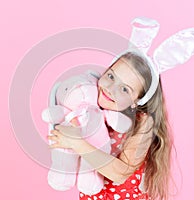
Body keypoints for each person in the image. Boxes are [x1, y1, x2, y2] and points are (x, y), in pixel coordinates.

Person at [48, 51, 173, 200]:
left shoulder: (143, 122)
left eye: (125, 89)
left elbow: (120, 173)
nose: (110, 88)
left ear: (137, 101)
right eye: (111, 76)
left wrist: (77, 143)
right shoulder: (91, 105)